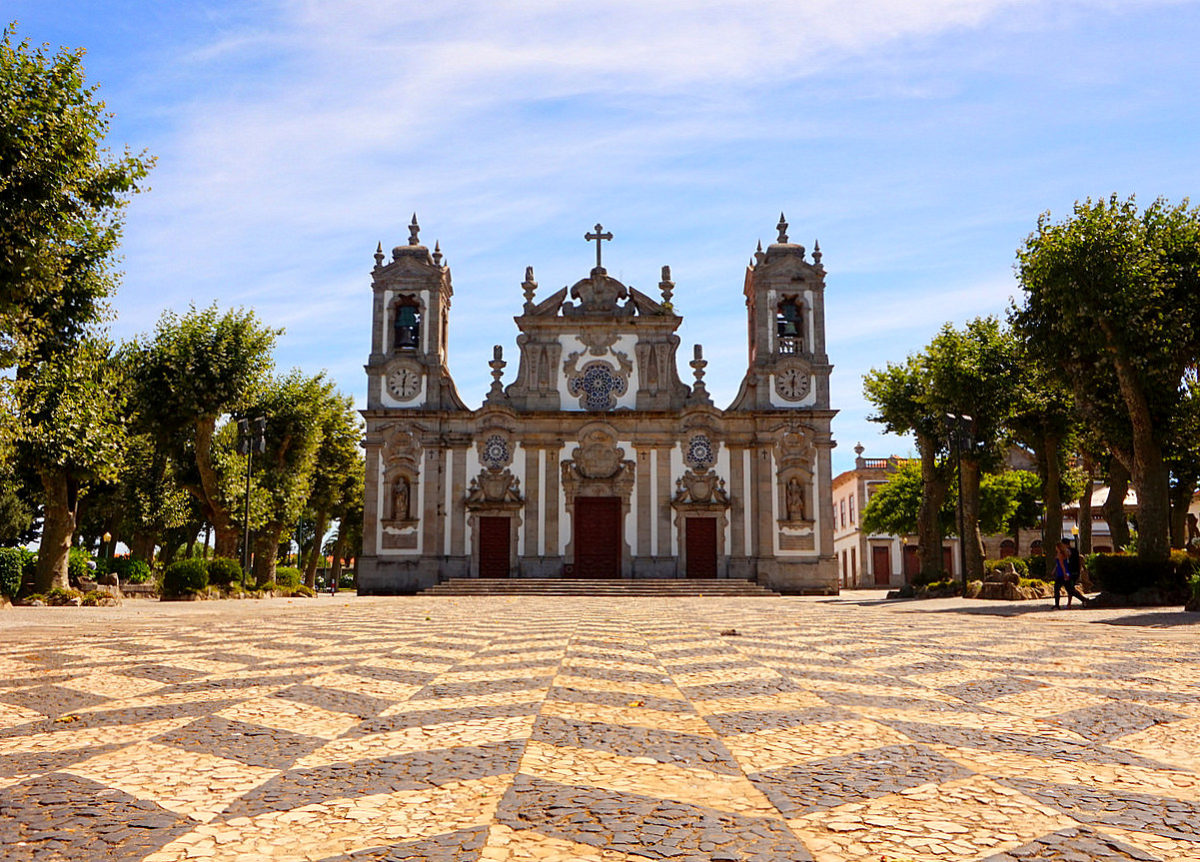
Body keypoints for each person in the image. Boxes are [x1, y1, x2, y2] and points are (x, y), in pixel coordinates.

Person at [1054, 540, 1087, 609]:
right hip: (1067, 572)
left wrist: (1064, 573)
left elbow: (1062, 565)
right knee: (1070, 589)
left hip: (1064, 573)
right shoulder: (1066, 553)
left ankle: (1058, 604)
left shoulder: (1063, 553)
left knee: (1060, 588)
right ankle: (1083, 599)